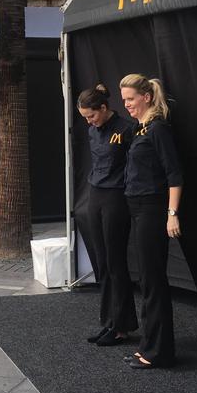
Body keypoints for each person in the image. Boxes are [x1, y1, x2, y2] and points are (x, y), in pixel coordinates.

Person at [119, 73, 183, 370]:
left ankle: (158, 352)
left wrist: (172, 214)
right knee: (147, 278)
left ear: (146, 97)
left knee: (153, 280)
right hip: (137, 207)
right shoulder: (139, 130)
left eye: (131, 99)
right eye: (124, 100)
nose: (127, 105)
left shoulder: (158, 130)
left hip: (152, 209)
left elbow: (174, 175)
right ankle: (151, 344)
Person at [77, 83, 138, 347]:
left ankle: (122, 326)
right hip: (96, 194)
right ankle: (109, 322)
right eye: (85, 118)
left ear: (104, 108)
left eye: (91, 115)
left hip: (116, 197)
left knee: (115, 262)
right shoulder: (93, 131)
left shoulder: (126, 129)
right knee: (101, 262)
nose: (89, 121)